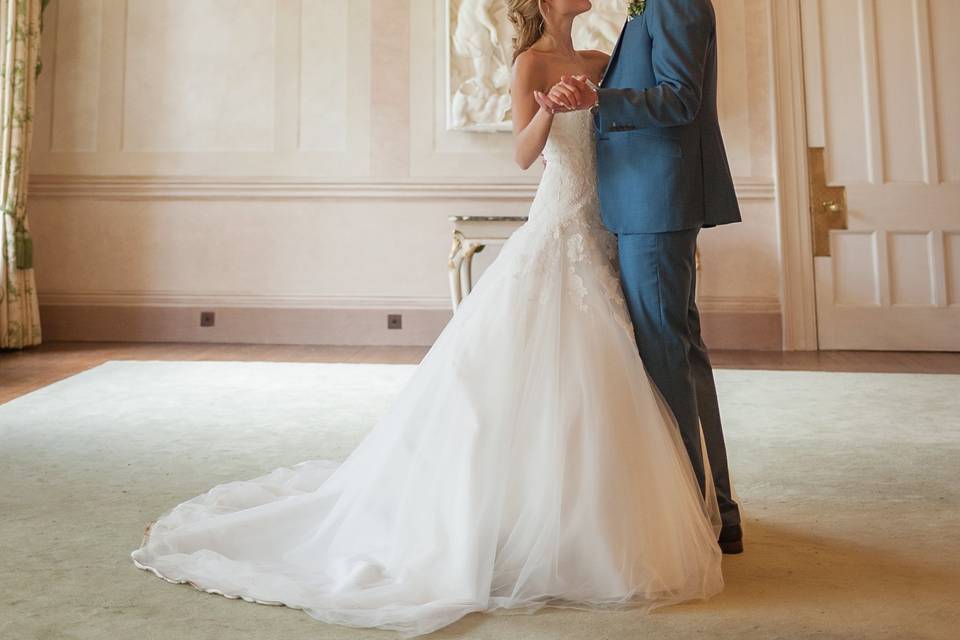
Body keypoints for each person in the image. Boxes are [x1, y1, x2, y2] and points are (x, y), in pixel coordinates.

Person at [130, 1, 729, 637]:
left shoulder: (601, 60)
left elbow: (632, 123)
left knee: (616, 370)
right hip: (558, 221)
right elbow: (524, 155)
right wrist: (552, 108)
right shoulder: (528, 63)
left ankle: (614, 512)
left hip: (608, 225)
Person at [534, 0, 744, 554]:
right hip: (644, 202)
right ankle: (715, 512)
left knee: (665, 357)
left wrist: (598, 98)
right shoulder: (646, 8)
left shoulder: (673, 3)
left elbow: (681, 98)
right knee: (679, 353)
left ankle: (694, 521)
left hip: (657, 203)